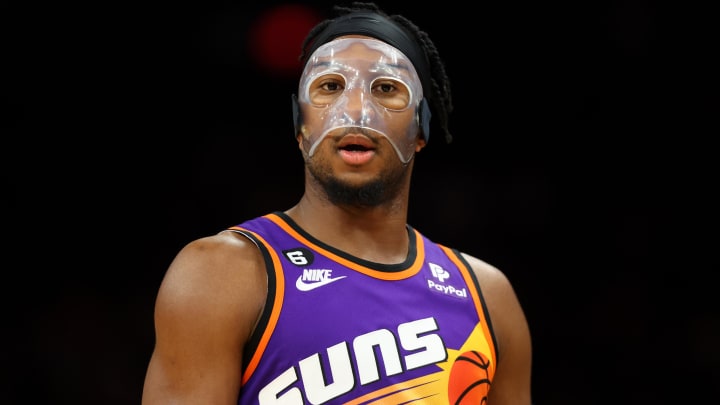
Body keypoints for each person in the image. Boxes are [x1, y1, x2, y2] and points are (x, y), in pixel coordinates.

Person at [141, 2, 532, 404]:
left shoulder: (487, 296)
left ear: (421, 126)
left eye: (386, 89)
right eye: (329, 86)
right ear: (300, 125)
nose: (357, 112)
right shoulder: (221, 275)